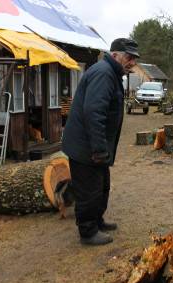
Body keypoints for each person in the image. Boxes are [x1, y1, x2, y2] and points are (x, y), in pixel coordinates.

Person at [62, 38, 139, 245]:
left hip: (94, 146)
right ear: (115, 55)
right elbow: (94, 113)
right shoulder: (104, 74)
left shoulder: (111, 73)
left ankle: (97, 220)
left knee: (102, 186)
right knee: (89, 190)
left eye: (134, 58)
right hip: (85, 147)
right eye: (129, 57)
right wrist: (98, 149)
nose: (132, 62)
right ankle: (87, 232)